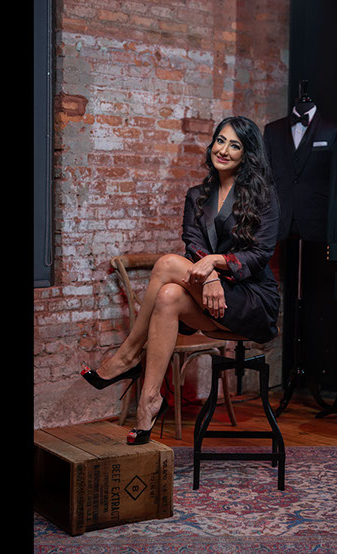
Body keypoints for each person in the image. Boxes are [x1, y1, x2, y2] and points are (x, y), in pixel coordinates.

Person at [82, 115, 281, 445]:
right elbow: (193, 242)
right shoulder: (197, 195)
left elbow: (260, 255)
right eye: (220, 141)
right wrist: (210, 275)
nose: (224, 150)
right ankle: (149, 402)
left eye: (235, 145)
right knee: (168, 296)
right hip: (213, 295)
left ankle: (128, 356)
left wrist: (215, 263)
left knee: (167, 263)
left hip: (252, 299)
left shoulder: (264, 197)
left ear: (247, 154)